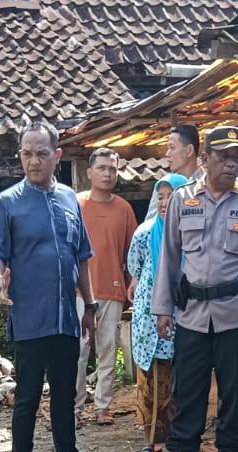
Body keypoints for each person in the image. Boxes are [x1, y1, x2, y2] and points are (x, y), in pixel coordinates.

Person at [144, 126, 238, 452]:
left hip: (237, 315)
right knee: (188, 391)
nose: (232, 164)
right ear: (204, 160)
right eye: (224, 157)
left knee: (235, 392)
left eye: (237, 157)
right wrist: (162, 309)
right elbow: (169, 257)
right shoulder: (183, 199)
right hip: (191, 315)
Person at [0, 120, 115, 452]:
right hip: (28, 316)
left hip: (65, 317)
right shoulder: (6, 203)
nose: (33, 160)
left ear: (57, 156)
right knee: (27, 397)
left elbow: (82, 258)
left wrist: (89, 306)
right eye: (27, 152)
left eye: (42, 153)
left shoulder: (70, 199)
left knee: (65, 394)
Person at [75, 148, 137, 426]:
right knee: (77, 353)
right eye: (102, 168)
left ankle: (103, 406)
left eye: (112, 168)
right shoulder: (75, 204)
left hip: (113, 290)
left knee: (108, 352)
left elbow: (133, 251)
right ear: (89, 173)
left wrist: (131, 282)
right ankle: (73, 408)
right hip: (78, 291)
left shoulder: (124, 208)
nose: (108, 173)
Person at [126, 173, 186, 452]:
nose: (164, 202)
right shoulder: (145, 233)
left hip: (185, 316)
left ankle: (183, 441)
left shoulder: (192, 231)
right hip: (149, 321)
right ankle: (150, 442)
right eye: (159, 196)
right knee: (152, 379)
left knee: (183, 381)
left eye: (170, 195)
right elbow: (135, 269)